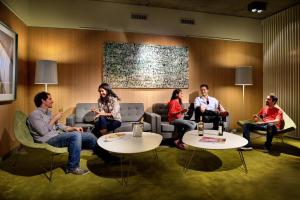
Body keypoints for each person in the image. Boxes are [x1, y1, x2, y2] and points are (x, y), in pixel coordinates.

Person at [27, 91, 117, 175]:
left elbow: (59, 126)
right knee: (75, 135)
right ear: (43, 100)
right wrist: (54, 119)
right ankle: (72, 167)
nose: (52, 101)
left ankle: (108, 159)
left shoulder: (48, 113)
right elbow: (43, 132)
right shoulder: (34, 115)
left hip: (58, 136)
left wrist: (73, 128)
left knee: (89, 136)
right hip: (48, 141)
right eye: (50, 99)